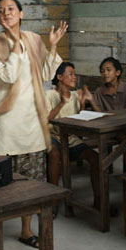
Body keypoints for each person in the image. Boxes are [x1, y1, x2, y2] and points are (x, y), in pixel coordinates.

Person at [0, 0, 67, 248]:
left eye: (11, 9)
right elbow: (8, 75)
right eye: (1, 11)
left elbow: (46, 74)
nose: (6, 13)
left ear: (21, 13)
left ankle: (26, 230)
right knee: (0, 182)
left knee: (31, 181)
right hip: (5, 124)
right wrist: (14, 44)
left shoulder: (33, 39)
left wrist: (52, 47)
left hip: (31, 123)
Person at [45, 62, 100, 208]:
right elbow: (46, 120)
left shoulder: (75, 95)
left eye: (74, 74)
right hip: (53, 136)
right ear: (60, 77)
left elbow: (78, 120)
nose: (74, 77)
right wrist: (61, 103)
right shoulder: (50, 94)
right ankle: (53, 200)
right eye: (71, 74)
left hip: (70, 138)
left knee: (95, 158)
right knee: (55, 155)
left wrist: (82, 103)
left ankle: (98, 201)